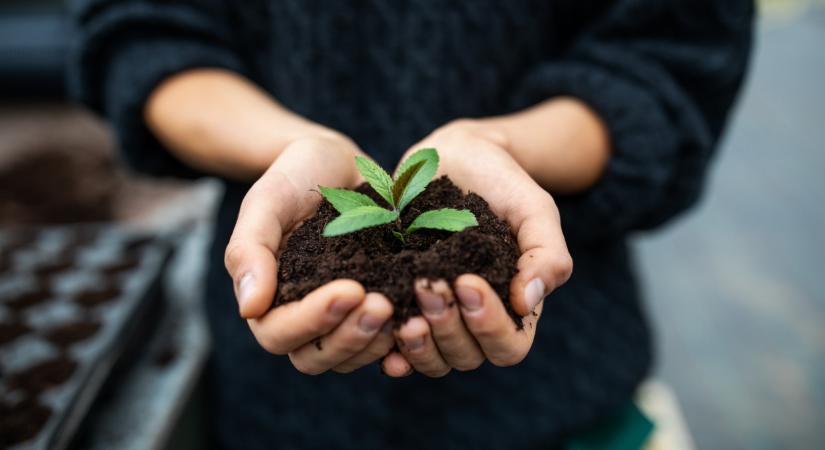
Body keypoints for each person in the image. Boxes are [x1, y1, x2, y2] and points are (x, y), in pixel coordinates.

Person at [69, 1, 753, 448]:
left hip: (563, 396)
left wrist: (508, 148)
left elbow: (670, 53)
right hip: (273, 410)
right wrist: (283, 148)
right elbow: (141, 30)